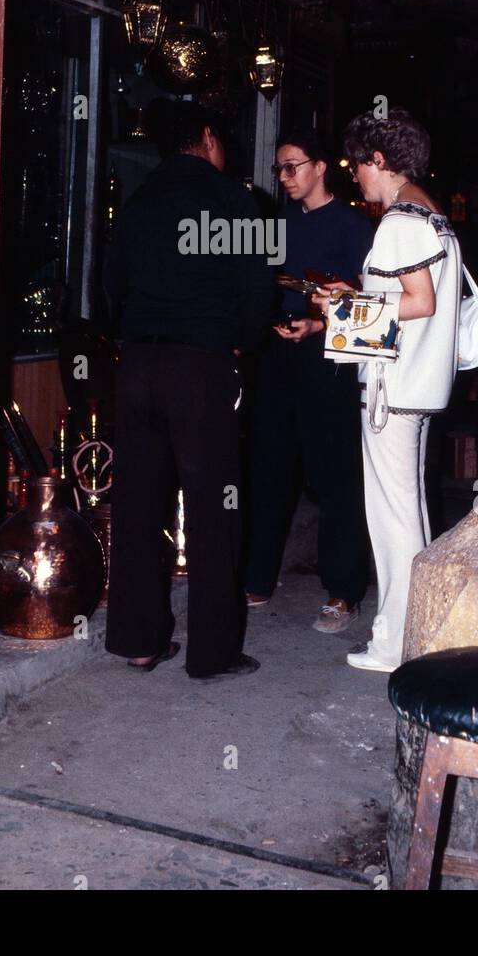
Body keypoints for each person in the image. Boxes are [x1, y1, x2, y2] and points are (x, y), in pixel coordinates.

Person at [104, 99, 273, 680]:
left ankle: (140, 641)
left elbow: (110, 288)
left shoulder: (137, 202)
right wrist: (239, 345)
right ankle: (213, 653)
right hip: (200, 369)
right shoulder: (234, 201)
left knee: (137, 506)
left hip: (138, 368)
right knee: (214, 509)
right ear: (207, 137)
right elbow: (258, 297)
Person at [317, 108, 462, 674]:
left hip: (392, 389)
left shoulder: (399, 222)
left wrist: (343, 308)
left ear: (379, 160)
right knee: (412, 513)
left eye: (357, 166)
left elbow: (419, 302)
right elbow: (417, 297)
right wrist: (355, 295)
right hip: (419, 386)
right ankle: (417, 630)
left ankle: (397, 643)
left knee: (393, 519)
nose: (355, 177)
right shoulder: (433, 214)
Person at [244, 130, 373, 633]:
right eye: (279, 169)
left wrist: (319, 324)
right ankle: (257, 576)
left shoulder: (354, 226)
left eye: (293, 166)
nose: (284, 177)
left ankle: (343, 592)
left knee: (336, 477)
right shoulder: (278, 224)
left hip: (331, 362)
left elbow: (373, 303)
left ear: (321, 167)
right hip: (279, 358)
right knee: (269, 468)